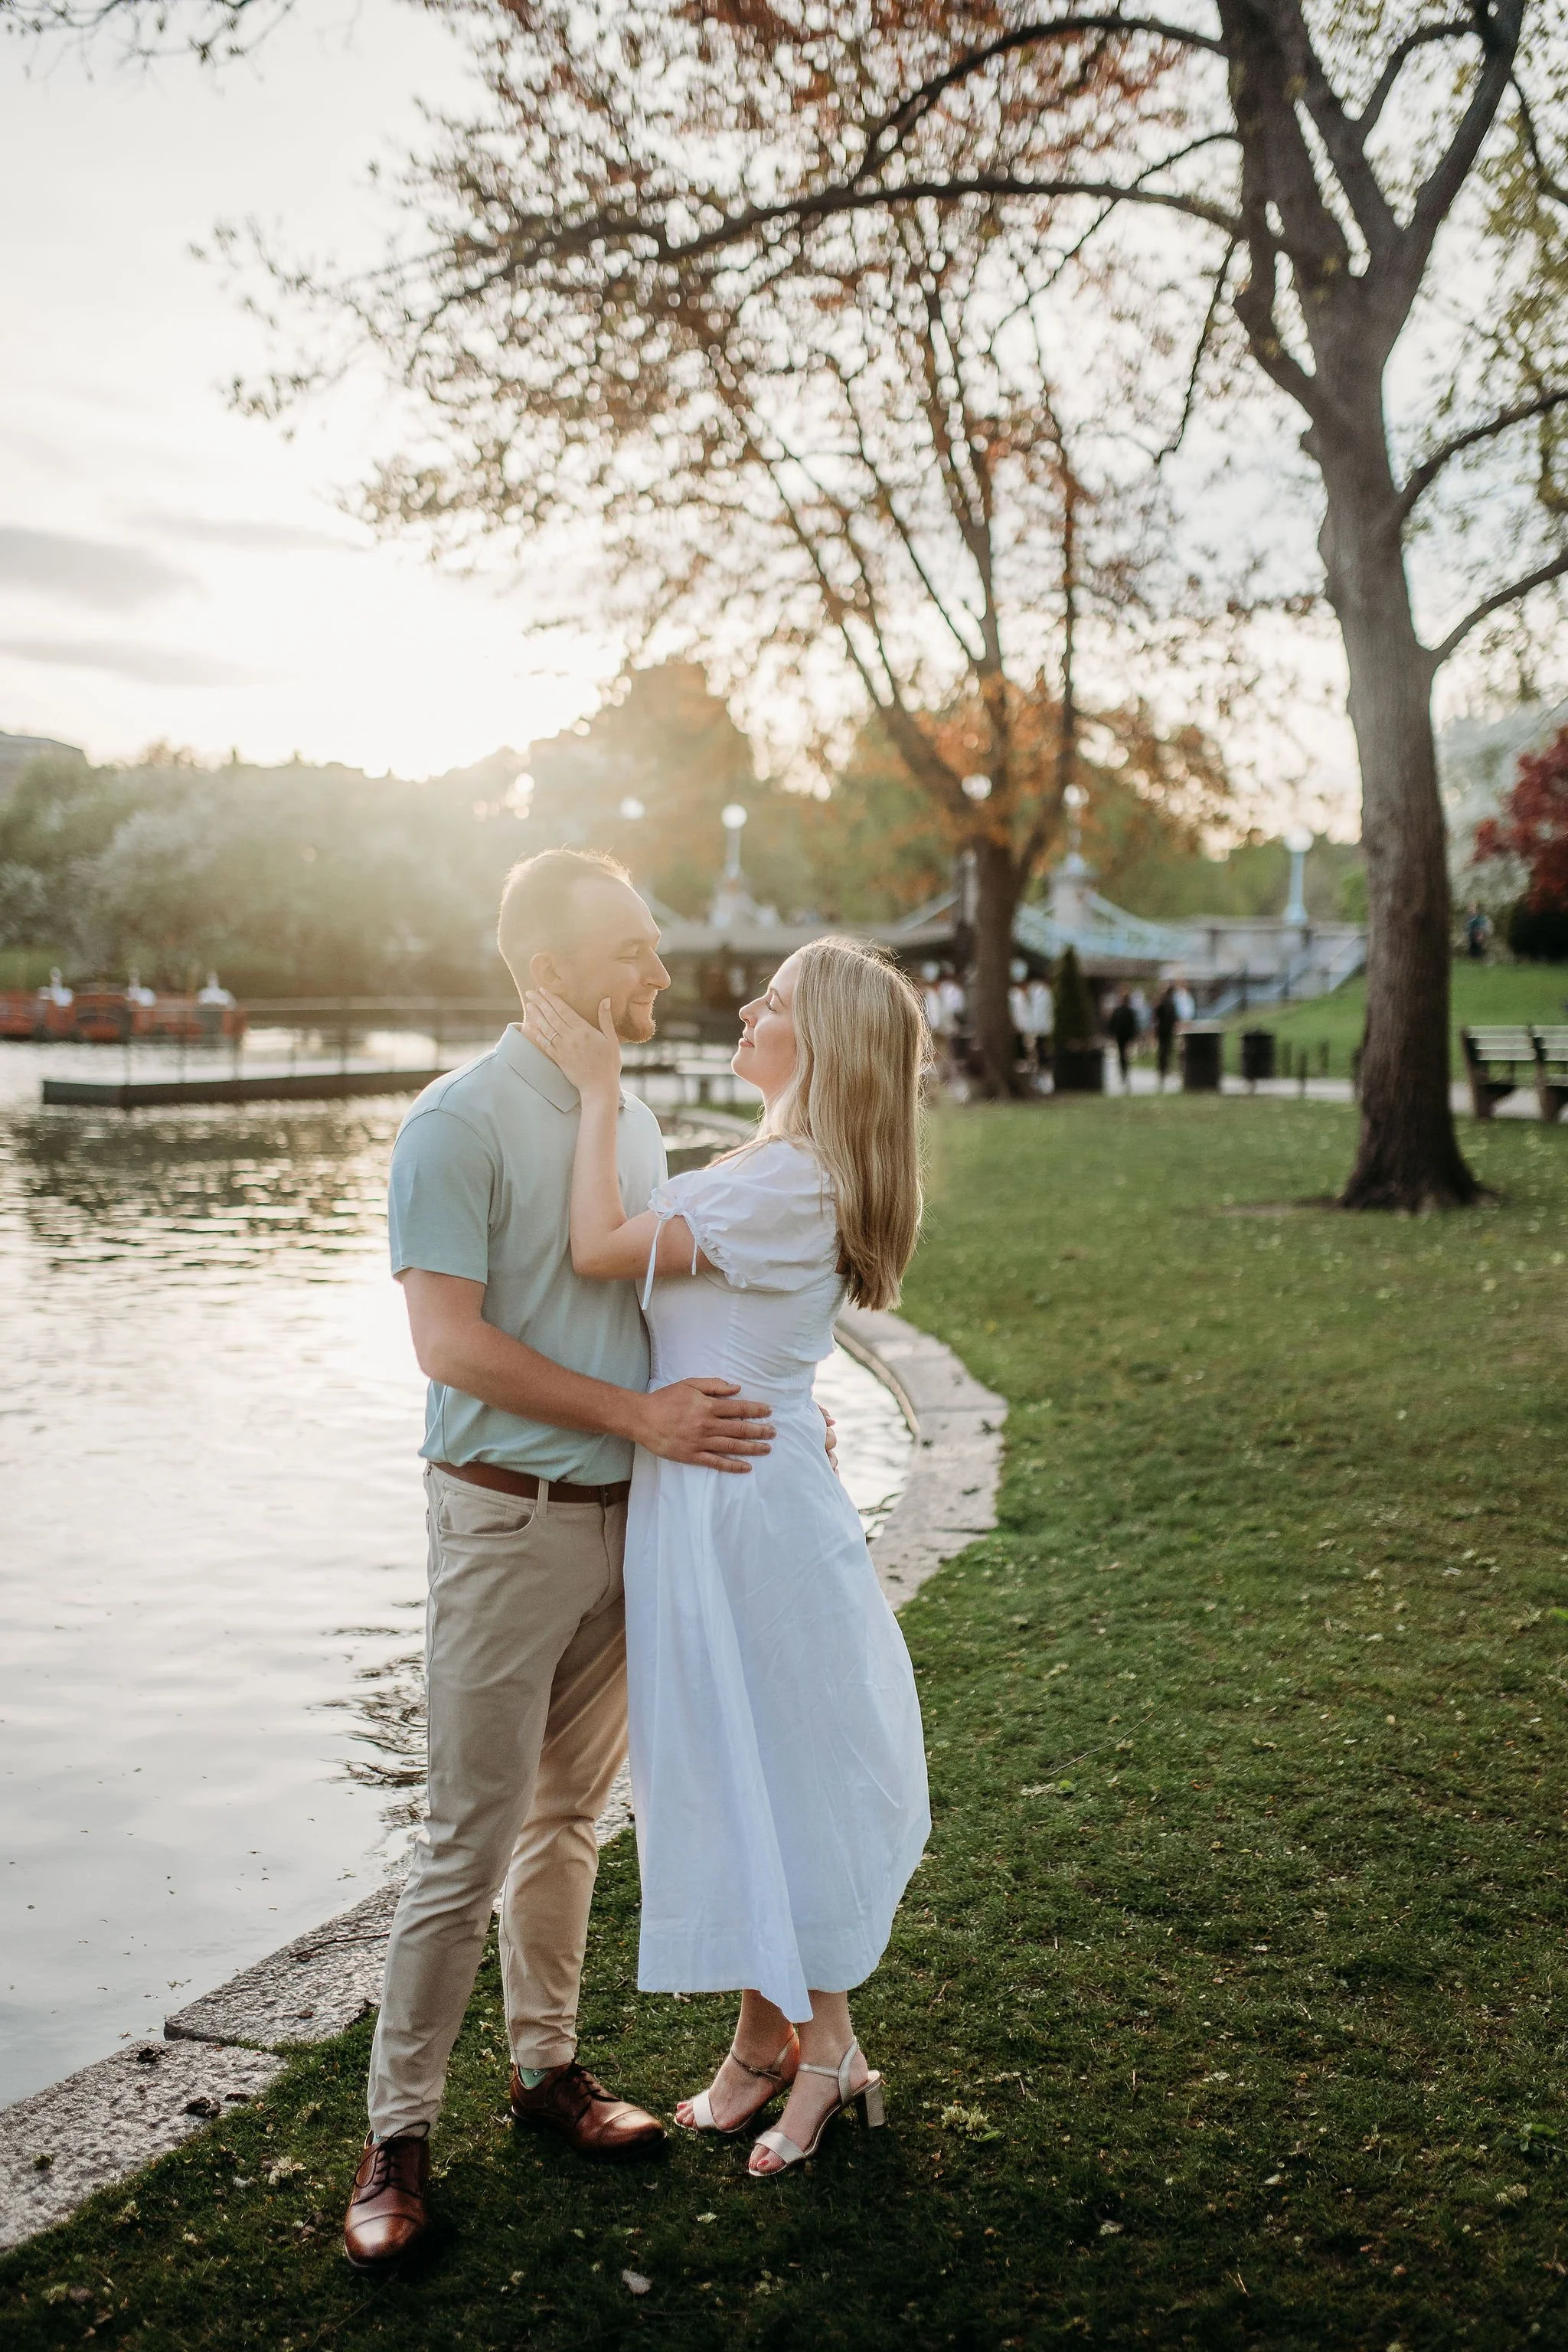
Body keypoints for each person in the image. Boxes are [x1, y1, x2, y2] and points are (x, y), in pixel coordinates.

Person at [342, 848, 786, 2272]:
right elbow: (449, 1344)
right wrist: (638, 1416)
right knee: (464, 1836)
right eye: (631, 954)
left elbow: (652, 1305)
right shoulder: (451, 1124)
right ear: (546, 971)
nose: (658, 976)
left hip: (625, 1525)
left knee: (567, 1822)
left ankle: (546, 2072)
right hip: (502, 1518)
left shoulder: (634, 1123)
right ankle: (394, 2138)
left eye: (656, 952)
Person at [529, 936, 930, 2180]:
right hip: (722, 1498)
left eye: (775, 1001)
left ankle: (826, 2050)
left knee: (769, 1772)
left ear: (821, 1046)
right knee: (734, 1761)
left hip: (744, 1517)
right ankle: (762, 2043)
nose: (748, 1009)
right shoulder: (781, 1174)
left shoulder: (786, 1182)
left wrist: (595, 1086)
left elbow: (597, 1246)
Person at [1107, 988, 1139, 1089]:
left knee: (1124, 1056)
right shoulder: (1120, 1011)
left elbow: (1133, 1026)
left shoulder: (1126, 1012)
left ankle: (1124, 1072)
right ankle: (1124, 1072)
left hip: (1125, 1036)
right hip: (1122, 1036)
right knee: (1123, 1055)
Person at [1152, 984, 1179, 1089]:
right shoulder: (1171, 1004)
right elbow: (1174, 1018)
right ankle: (1166, 1069)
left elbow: (1156, 1017)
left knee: (1163, 1051)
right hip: (1167, 1032)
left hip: (1162, 1031)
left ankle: (1163, 1070)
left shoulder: (1162, 1003)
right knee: (1167, 1051)